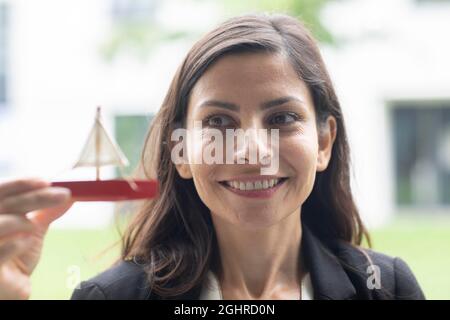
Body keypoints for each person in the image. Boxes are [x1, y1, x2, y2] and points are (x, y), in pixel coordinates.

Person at [0, 13, 425, 300]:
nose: (251, 151)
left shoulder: (385, 289)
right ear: (180, 151)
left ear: (324, 143)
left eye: (281, 117)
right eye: (219, 123)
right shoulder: (111, 297)